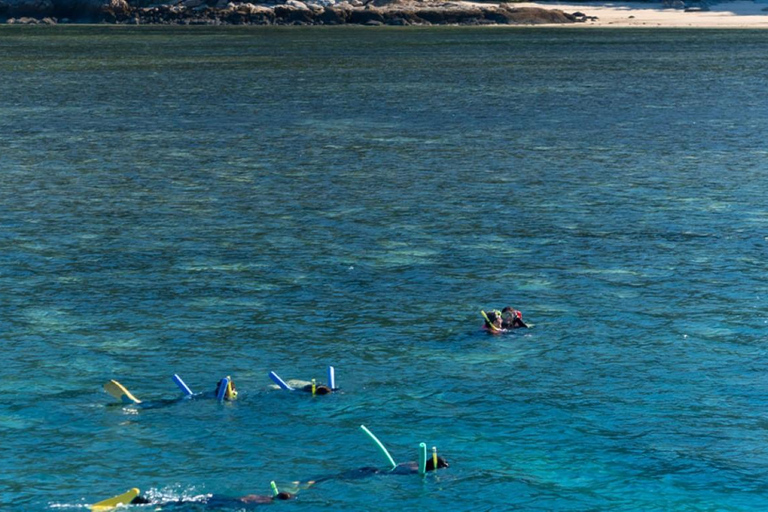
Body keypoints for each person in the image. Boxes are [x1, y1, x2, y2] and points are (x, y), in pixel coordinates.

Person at [129, 491, 293, 508]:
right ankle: (150, 503)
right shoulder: (267, 502)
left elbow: (246, 498)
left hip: (226, 498)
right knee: (189, 506)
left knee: (190, 501)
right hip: (228, 504)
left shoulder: (261, 496)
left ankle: (148, 501)